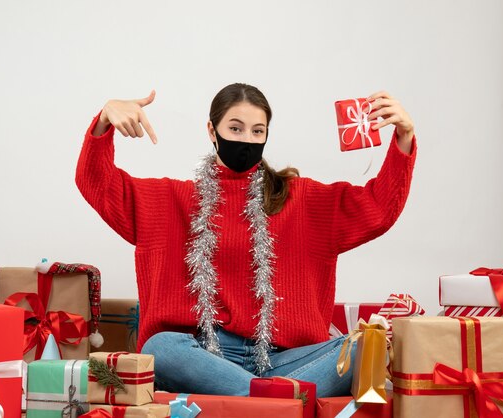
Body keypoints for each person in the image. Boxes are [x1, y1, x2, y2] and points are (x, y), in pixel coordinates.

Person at [76, 83, 416, 397]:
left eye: (258, 131)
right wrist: (105, 120)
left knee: (362, 348)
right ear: (212, 130)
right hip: (204, 358)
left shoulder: (304, 200)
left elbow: (377, 208)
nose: (246, 139)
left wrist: (404, 135)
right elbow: (96, 183)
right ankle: (276, 401)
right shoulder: (167, 200)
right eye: (235, 128)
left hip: (286, 360)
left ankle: (261, 400)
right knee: (160, 349)